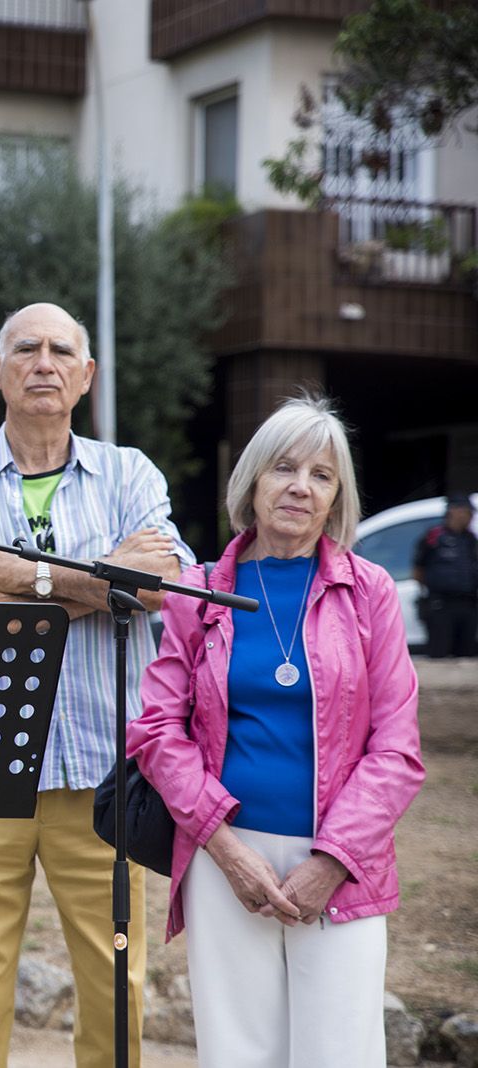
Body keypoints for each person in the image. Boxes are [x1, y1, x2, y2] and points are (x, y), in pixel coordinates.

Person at [0, 302, 191, 1068]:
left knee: (114, 976)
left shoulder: (130, 472)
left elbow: (166, 584)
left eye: (61, 350)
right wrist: (104, 580)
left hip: (106, 772)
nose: (44, 362)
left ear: (86, 375)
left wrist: (26, 576)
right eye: (25, 349)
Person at [129, 394, 424, 1066]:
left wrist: (330, 862)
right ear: (252, 480)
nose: (300, 486)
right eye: (284, 467)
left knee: (339, 1052)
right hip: (225, 857)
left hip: (343, 865)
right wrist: (224, 848)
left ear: (336, 496)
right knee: (238, 1052)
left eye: (321, 475)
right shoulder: (197, 591)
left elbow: (398, 752)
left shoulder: (370, 591)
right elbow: (156, 732)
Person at [413, 494, 477, 658]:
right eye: (466, 512)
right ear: (454, 511)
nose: (469, 517)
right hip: (441, 605)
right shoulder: (434, 536)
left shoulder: (470, 539)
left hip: (468, 604)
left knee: (467, 655)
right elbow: (418, 570)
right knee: (438, 654)